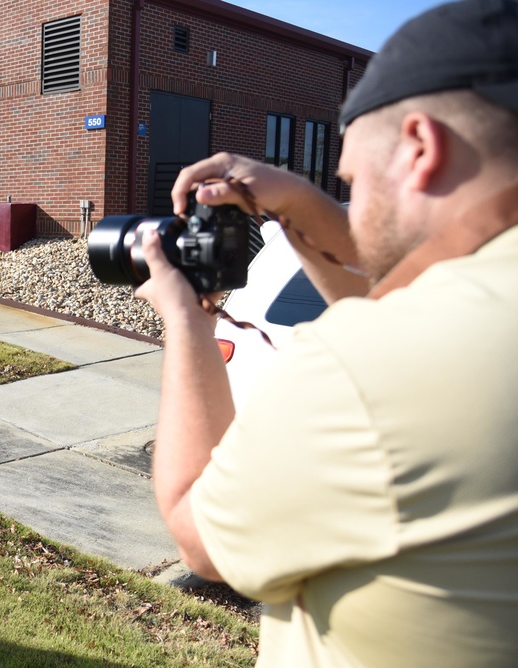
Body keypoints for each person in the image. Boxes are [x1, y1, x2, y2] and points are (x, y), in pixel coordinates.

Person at [135, 1, 518, 665]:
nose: (351, 210)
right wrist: (296, 214)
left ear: (421, 148)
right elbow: (410, 285)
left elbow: (197, 531)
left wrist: (185, 316)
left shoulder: (369, 367)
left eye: (349, 184)